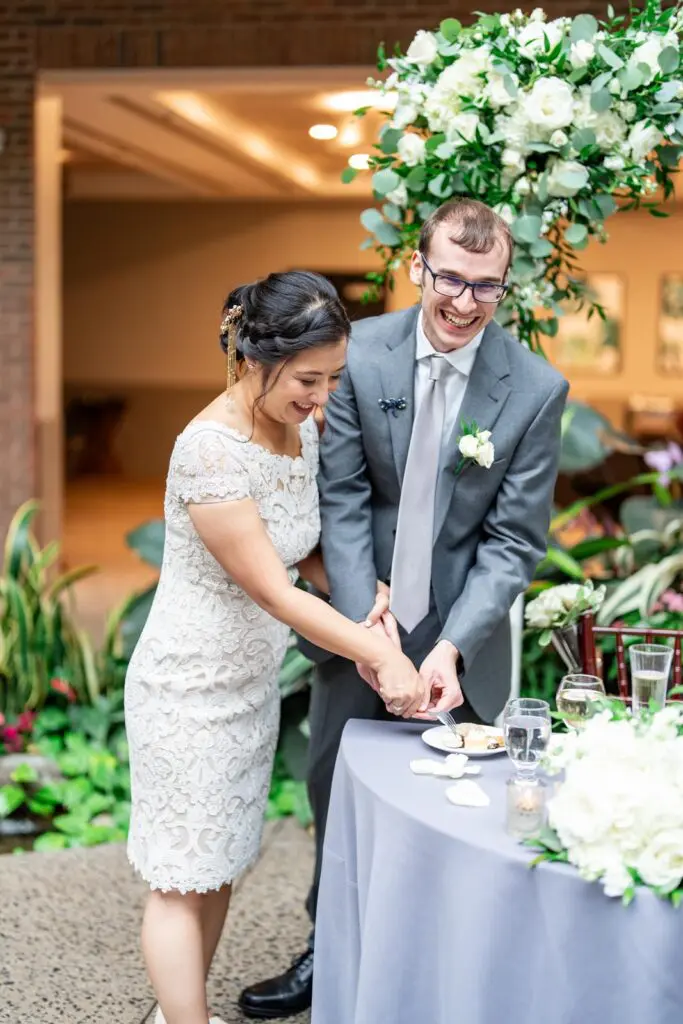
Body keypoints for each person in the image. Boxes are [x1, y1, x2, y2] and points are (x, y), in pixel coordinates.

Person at [239, 199, 569, 1019]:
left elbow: (512, 542)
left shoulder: (534, 388)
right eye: (449, 278)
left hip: (465, 634)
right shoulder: (360, 355)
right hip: (362, 622)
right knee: (336, 791)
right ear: (419, 266)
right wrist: (363, 630)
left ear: (505, 286)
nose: (462, 302)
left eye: (484, 287)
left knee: (469, 808)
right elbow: (342, 498)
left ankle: (459, 971)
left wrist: (451, 645)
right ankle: (330, 947)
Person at [124, 270, 429, 1024]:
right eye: (306, 378)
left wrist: (365, 599)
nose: (321, 396)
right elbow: (270, 587)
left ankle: (177, 1012)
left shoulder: (304, 429)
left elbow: (303, 550)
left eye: (331, 377)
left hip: (251, 682)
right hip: (188, 687)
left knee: (221, 862)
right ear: (251, 358)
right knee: (179, 875)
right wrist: (377, 653)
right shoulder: (208, 453)